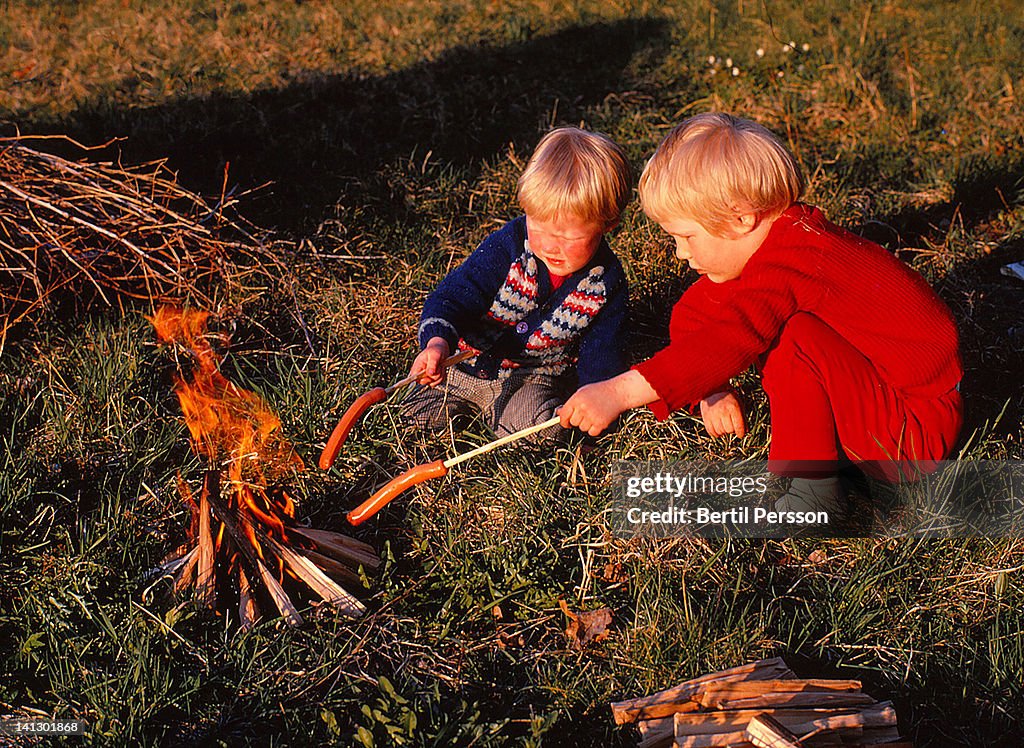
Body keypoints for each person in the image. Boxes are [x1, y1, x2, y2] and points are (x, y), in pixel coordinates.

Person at [558, 112, 963, 515]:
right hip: (883, 398)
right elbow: (695, 314)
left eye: (686, 236)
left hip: (914, 431)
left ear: (741, 218)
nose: (681, 253)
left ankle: (809, 489)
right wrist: (710, 388)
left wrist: (618, 392)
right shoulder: (779, 245)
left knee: (795, 338)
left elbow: (730, 337)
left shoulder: (799, 262)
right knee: (782, 327)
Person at [402, 126, 632, 444]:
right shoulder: (509, 247)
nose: (551, 246)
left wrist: (595, 395)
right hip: (459, 366)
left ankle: (540, 426)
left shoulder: (606, 284)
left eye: (568, 237)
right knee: (416, 419)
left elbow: (602, 351)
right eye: (538, 226)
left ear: (609, 224)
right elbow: (455, 296)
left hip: (530, 378)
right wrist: (437, 343)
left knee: (538, 427)